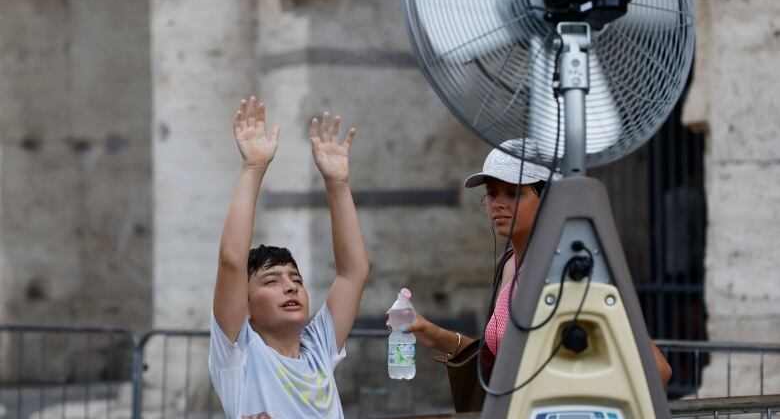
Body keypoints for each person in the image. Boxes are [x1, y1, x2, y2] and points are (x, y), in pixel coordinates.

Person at [405, 139, 672, 405]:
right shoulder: (507, 264)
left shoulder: (569, 271)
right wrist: (435, 335)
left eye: (513, 193)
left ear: (547, 199)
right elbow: (504, 360)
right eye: (493, 192)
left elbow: (658, 371)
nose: (498, 203)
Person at [209, 97, 369, 419]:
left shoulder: (318, 349)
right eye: (271, 281)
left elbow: (353, 273)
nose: (291, 287)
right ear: (246, 307)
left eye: (296, 280)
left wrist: (337, 185)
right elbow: (231, 259)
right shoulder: (240, 354)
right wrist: (254, 167)